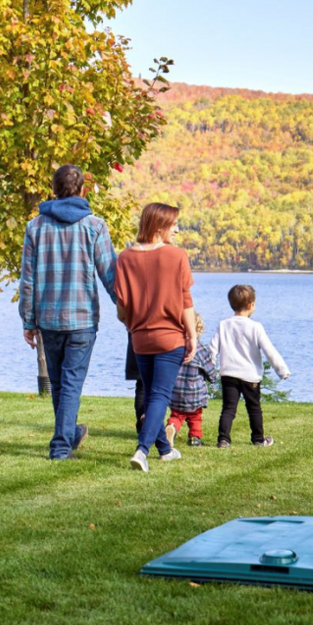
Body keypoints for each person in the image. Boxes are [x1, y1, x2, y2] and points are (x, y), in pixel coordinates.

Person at [19, 164, 119, 460]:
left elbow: (28, 279)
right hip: (82, 318)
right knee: (71, 382)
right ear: (82, 191)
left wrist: (28, 320)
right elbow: (110, 274)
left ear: (53, 189)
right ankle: (61, 447)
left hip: (48, 318)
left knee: (62, 384)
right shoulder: (95, 225)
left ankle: (70, 434)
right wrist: (128, 310)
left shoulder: (35, 227)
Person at [112, 201, 197, 470]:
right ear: (160, 226)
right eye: (173, 225)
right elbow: (185, 301)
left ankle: (164, 449)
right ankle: (142, 450)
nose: (177, 230)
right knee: (160, 396)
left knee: (151, 395)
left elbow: (121, 308)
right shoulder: (177, 256)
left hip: (139, 338)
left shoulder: (125, 258)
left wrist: (132, 324)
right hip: (169, 336)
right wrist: (192, 335)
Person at [212, 283, 290, 448]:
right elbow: (269, 350)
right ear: (251, 305)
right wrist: (282, 370)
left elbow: (213, 348)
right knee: (254, 408)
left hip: (228, 374)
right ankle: (258, 439)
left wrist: (210, 368)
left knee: (228, 408)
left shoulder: (223, 325)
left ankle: (223, 439)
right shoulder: (256, 327)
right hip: (250, 375)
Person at [167, 311, 219, 448]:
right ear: (198, 329)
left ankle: (171, 427)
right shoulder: (201, 349)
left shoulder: (172, 348)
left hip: (175, 392)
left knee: (176, 415)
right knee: (195, 416)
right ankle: (195, 438)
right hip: (194, 394)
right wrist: (213, 378)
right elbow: (209, 369)